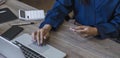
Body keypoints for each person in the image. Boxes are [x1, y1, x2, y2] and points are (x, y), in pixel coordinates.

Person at [32, 0, 120, 45]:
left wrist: (96, 30)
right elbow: (61, 5)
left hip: (108, 38)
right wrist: (47, 26)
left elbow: (118, 24)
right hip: (77, 33)